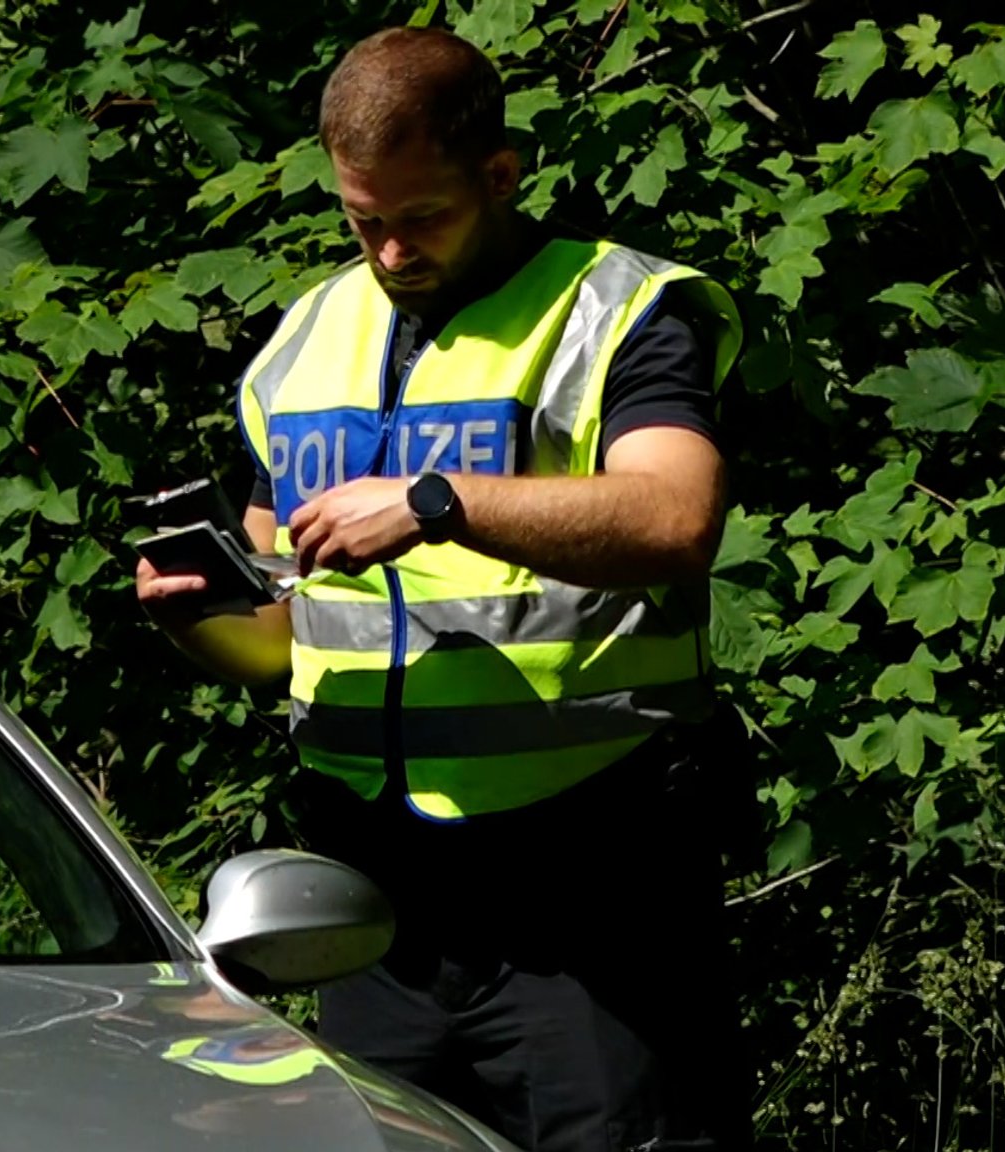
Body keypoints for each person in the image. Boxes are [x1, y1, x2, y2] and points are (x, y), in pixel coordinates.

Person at [136, 24, 752, 1152]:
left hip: (587, 891)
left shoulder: (614, 309)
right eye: (361, 220)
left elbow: (672, 519)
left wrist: (437, 500)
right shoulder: (306, 337)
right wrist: (200, 615)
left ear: (500, 176)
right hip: (370, 906)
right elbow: (282, 646)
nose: (388, 252)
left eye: (421, 218)